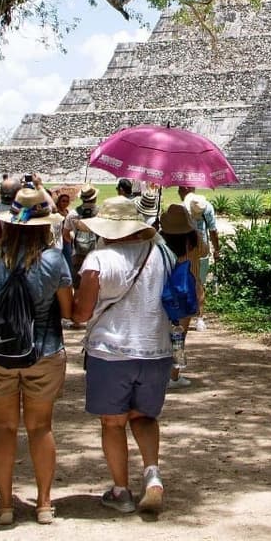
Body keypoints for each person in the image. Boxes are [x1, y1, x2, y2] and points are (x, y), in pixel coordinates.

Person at [0, 188, 72, 526]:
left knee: (3, 428)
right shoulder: (54, 259)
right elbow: (67, 310)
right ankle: (45, 504)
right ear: (43, 224)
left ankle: (6, 505)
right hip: (45, 351)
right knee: (40, 427)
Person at [71, 196, 176, 514]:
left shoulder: (98, 260)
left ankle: (121, 492)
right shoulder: (163, 252)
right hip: (156, 350)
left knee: (113, 423)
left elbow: (81, 314)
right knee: (144, 417)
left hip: (110, 353)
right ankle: (153, 474)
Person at [157, 202, 199, 389]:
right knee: (180, 335)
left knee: (160, 331)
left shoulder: (160, 243)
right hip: (186, 291)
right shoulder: (194, 241)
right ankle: (174, 375)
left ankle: (159, 370)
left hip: (163, 290)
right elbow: (204, 251)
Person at [178, 185, 221, 331]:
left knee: (183, 282)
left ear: (185, 190)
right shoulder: (207, 206)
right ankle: (200, 318)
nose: (178, 192)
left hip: (184, 249)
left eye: (179, 189)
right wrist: (217, 249)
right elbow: (213, 231)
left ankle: (183, 316)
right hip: (202, 249)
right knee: (199, 283)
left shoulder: (182, 208)